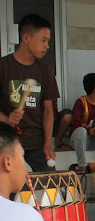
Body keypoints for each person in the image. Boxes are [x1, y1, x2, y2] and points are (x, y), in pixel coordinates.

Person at [0, 13, 59, 171]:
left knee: (50, 188)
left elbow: (48, 111)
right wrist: (6, 119)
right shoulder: (3, 66)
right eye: (43, 40)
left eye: (48, 41)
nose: (47, 45)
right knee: (9, 190)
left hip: (36, 143)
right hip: (6, 141)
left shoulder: (45, 70)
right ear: (26, 38)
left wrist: (48, 144)